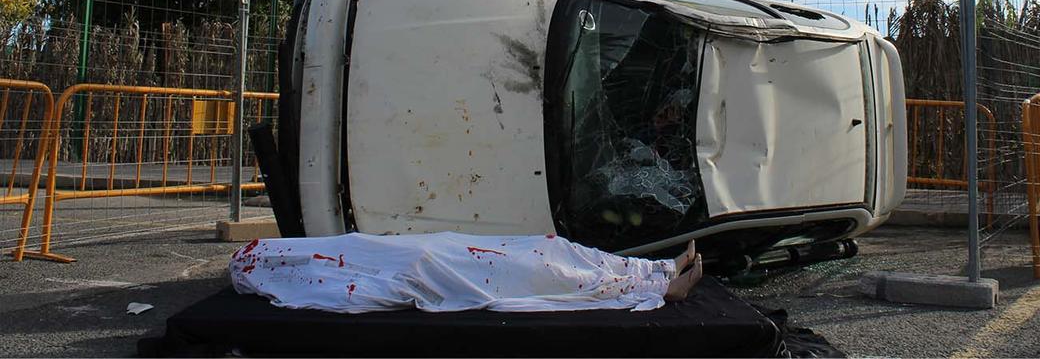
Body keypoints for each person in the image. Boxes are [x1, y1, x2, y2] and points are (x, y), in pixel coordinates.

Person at [230, 232, 703, 314]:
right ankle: (661, 284)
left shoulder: (341, 250)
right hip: (442, 269)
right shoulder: (318, 280)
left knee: (552, 250)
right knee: (551, 272)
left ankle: (655, 268)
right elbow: (364, 295)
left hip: (443, 253)